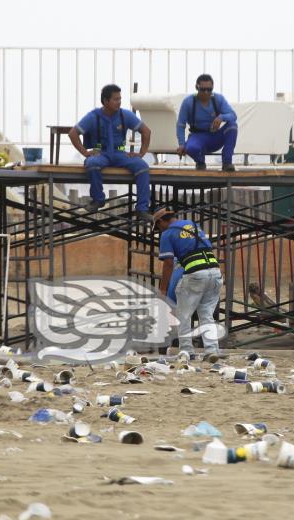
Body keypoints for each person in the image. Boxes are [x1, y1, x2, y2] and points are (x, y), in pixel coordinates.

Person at [69, 84, 152, 222]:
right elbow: (73, 133)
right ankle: (98, 200)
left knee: (142, 166)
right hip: (101, 153)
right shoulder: (93, 116)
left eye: (120, 98)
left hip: (120, 154)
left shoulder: (125, 115)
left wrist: (141, 153)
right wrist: (85, 153)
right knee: (92, 163)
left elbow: (146, 131)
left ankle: (142, 209)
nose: (119, 102)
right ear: (105, 101)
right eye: (115, 99)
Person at [153, 207, 223, 357]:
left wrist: (163, 290)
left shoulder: (167, 234)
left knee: (183, 314)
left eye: (158, 227)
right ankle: (211, 351)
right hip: (215, 272)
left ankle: (186, 351)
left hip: (195, 274)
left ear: (160, 222)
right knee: (206, 314)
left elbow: (169, 263)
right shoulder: (193, 225)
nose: (159, 230)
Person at [176, 74, 238, 172]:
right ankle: (200, 162)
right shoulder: (188, 102)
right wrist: (181, 144)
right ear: (197, 88)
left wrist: (222, 117)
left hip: (215, 137)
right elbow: (180, 125)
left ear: (212, 88)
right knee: (191, 148)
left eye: (209, 89)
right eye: (203, 89)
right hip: (198, 137)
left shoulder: (218, 99)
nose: (206, 92)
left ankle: (227, 162)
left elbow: (233, 116)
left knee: (232, 126)